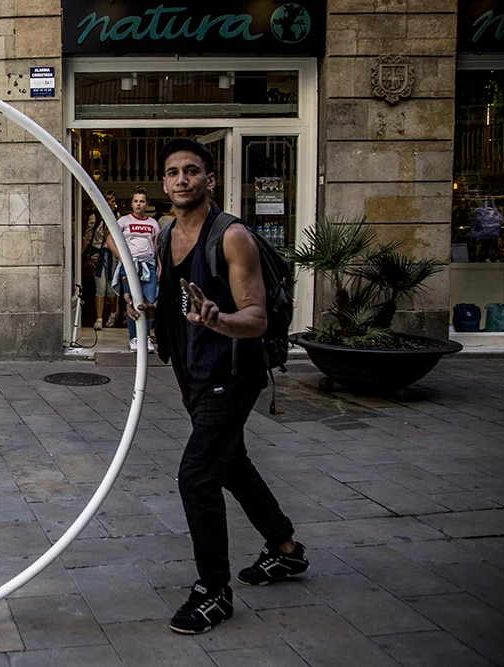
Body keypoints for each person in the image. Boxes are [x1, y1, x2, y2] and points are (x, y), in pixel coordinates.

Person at [131, 138, 308, 635]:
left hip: (231, 374)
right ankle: (285, 549)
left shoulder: (232, 237)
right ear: (165, 182)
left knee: (197, 475)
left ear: (210, 179)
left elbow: (256, 319)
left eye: (191, 171)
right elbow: (172, 300)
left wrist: (218, 319)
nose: (181, 180)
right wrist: (145, 311)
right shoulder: (166, 235)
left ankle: (214, 591)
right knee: (231, 463)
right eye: (173, 172)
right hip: (193, 372)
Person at [110, 186, 159, 353]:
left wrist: (159, 267)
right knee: (132, 301)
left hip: (148, 265)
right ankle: (134, 338)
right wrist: (122, 257)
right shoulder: (124, 221)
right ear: (131, 203)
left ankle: (146, 337)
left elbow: (156, 246)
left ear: (147, 204)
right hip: (130, 266)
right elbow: (110, 239)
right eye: (136, 201)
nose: (139, 204)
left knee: (150, 301)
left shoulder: (153, 223)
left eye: (142, 201)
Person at [83, 191, 118, 330]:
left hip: (112, 255)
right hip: (97, 254)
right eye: (110, 201)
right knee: (100, 287)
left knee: (111, 289)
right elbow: (87, 238)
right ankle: (99, 319)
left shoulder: (117, 217)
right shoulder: (94, 218)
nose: (113, 204)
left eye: (114, 201)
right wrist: (80, 256)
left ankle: (113, 314)